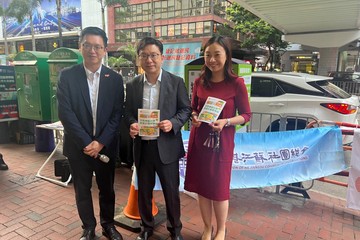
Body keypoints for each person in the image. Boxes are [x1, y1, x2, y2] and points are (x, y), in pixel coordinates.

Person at [57, 26, 124, 240]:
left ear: (104, 50)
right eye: (88, 45)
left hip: (105, 148)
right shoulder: (67, 77)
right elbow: (66, 113)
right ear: (80, 46)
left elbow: (117, 114)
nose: (92, 50)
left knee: (107, 189)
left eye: (97, 46)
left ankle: (108, 225)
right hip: (79, 148)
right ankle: (88, 228)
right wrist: (88, 143)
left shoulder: (114, 79)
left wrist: (101, 142)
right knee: (82, 190)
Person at [184, 36, 252, 240]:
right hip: (200, 141)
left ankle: (221, 229)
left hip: (222, 144)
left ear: (227, 56)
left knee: (219, 187)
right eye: (208, 55)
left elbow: (246, 115)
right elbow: (194, 109)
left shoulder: (236, 83)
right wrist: (194, 118)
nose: (212, 59)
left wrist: (227, 122)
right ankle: (207, 227)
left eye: (217, 54)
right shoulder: (199, 82)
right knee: (202, 186)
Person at [125, 37, 191, 240]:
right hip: (143, 147)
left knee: (171, 192)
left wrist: (173, 123)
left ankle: (175, 230)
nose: (149, 60)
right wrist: (132, 124)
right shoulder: (133, 84)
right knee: (144, 191)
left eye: (153, 55)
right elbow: (127, 113)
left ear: (162, 57)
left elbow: (186, 109)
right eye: (144, 55)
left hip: (167, 147)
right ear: (139, 59)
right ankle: (146, 228)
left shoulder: (176, 82)